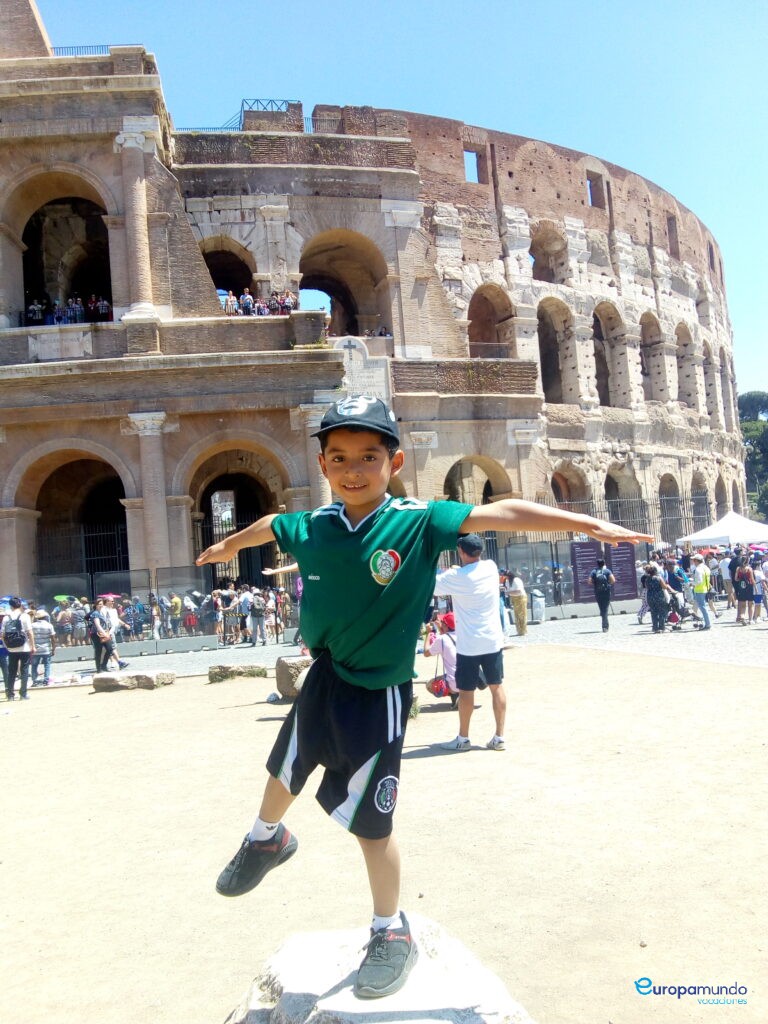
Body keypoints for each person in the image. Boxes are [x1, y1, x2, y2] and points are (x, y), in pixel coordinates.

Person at [194, 393, 650, 1000]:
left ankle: (391, 929)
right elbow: (268, 525)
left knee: (373, 825)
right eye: (339, 458)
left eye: (368, 456)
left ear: (395, 461)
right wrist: (230, 547)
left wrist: (586, 523)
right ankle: (266, 837)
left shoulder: (415, 520)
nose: (353, 470)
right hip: (325, 673)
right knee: (285, 767)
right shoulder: (312, 525)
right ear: (323, 465)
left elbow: (501, 513)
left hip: (379, 690)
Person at [433, 534, 507, 751]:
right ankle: (499, 737)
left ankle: (463, 738)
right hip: (492, 640)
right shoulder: (491, 567)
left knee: (466, 691)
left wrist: (451, 570)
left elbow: (432, 584)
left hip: (468, 644)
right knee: (497, 686)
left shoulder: (456, 577)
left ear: (461, 552)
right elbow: (470, 570)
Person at [2, 597, 36, 700]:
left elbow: (2, 634)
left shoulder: (6, 618)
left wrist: (6, 646)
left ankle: (10, 695)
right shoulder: (24, 616)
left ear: (10, 606)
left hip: (12, 648)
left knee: (11, 671)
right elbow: (30, 632)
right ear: (20, 605)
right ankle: (23, 694)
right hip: (24, 647)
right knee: (24, 670)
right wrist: (32, 646)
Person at [422, 611, 458, 706]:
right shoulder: (463, 634)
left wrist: (428, 633)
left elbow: (426, 652)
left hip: (456, 683)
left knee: (429, 685)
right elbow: (448, 636)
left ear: (445, 625)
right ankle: (459, 695)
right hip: (471, 681)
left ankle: (455, 694)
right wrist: (440, 627)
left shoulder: (442, 639)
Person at [31, 609, 57, 686]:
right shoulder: (49, 625)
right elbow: (53, 639)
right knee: (47, 665)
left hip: (36, 649)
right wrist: (53, 649)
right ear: (45, 617)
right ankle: (46, 680)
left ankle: (35, 680)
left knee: (34, 665)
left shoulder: (32, 625)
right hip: (46, 649)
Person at [588, 558, 615, 632]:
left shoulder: (594, 571)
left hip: (598, 592)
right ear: (604, 564)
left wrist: (595, 584)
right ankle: (605, 626)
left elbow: (589, 582)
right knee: (605, 609)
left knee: (602, 608)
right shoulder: (607, 571)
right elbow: (613, 580)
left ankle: (603, 617)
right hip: (606, 592)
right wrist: (608, 584)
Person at [645, 564, 673, 633]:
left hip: (650, 597)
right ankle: (662, 627)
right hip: (659, 597)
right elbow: (664, 587)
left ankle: (655, 628)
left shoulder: (647, 579)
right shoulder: (659, 578)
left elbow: (646, 587)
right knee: (661, 612)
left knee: (653, 612)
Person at [690, 553, 711, 630]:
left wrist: (691, 583)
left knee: (702, 607)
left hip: (699, 589)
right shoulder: (706, 568)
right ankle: (707, 623)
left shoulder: (698, 569)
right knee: (703, 607)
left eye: (694, 560)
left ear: (696, 561)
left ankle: (708, 624)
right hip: (705, 588)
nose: (693, 562)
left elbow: (699, 581)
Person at [506, 570, 528, 636]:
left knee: (522, 614)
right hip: (514, 598)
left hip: (520, 598)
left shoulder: (516, 580)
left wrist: (508, 593)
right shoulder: (507, 581)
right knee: (517, 615)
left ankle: (523, 630)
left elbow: (518, 591)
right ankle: (519, 631)